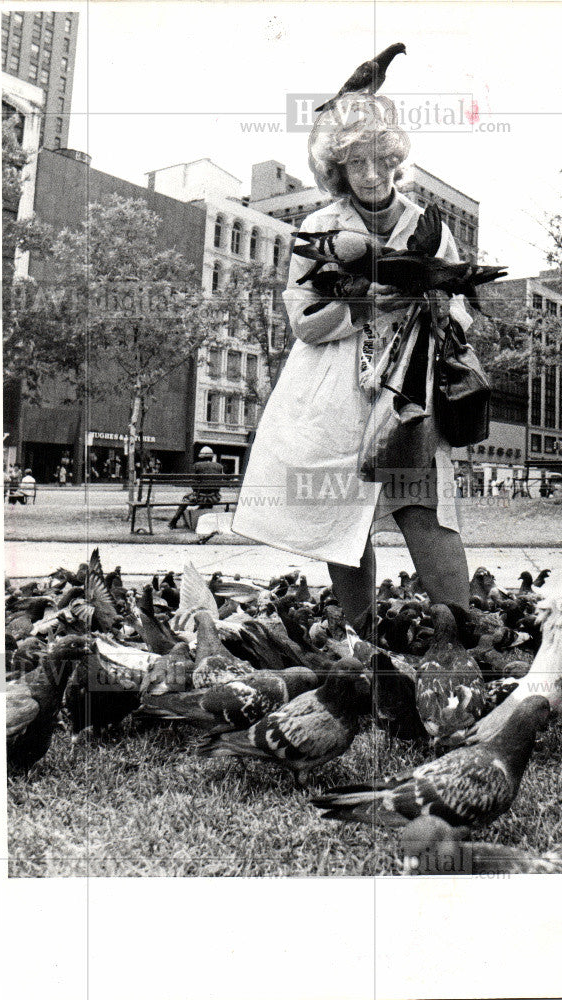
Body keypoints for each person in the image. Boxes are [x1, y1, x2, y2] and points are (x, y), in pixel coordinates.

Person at [231, 93, 473, 636]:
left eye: (378, 160)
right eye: (354, 163)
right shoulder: (318, 225)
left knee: (424, 509)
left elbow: (461, 308)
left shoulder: (426, 224)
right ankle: (366, 645)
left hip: (407, 391)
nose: (369, 174)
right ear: (337, 169)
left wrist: (433, 304)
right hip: (331, 397)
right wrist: (368, 305)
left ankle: (463, 642)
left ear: (394, 158)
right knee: (344, 522)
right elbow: (303, 321)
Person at [168, 446, 224, 529]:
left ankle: (174, 520)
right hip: (214, 497)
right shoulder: (219, 466)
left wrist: (197, 490)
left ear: (201, 456)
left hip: (199, 497)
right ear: (211, 457)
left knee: (185, 498)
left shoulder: (197, 465)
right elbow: (220, 483)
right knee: (206, 500)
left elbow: (193, 483)